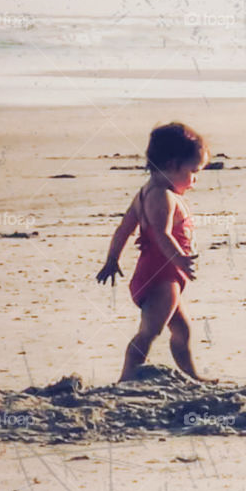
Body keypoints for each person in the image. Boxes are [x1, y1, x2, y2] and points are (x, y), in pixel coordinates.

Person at [96, 122, 214, 382]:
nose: (195, 180)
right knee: (149, 332)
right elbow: (163, 233)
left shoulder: (144, 193)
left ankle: (192, 375)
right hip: (162, 277)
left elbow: (124, 229)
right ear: (172, 165)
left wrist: (112, 259)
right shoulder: (162, 196)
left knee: (182, 330)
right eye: (193, 171)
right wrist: (180, 259)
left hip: (157, 274)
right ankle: (126, 380)